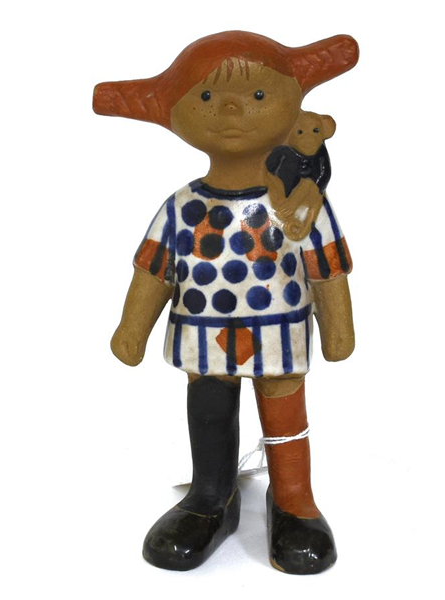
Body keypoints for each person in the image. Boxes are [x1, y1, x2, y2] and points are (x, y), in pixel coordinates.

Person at [93, 30, 358, 575]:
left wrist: (338, 331)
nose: (232, 109)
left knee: (283, 406)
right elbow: (154, 269)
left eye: (258, 95)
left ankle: (294, 498)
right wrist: (131, 330)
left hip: (278, 330)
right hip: (204, 333)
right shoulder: (182, 206)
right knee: (209, 408)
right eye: (208, 96)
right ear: (174, 115)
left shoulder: (300, 204)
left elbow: (326, 266)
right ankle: (211, 496)